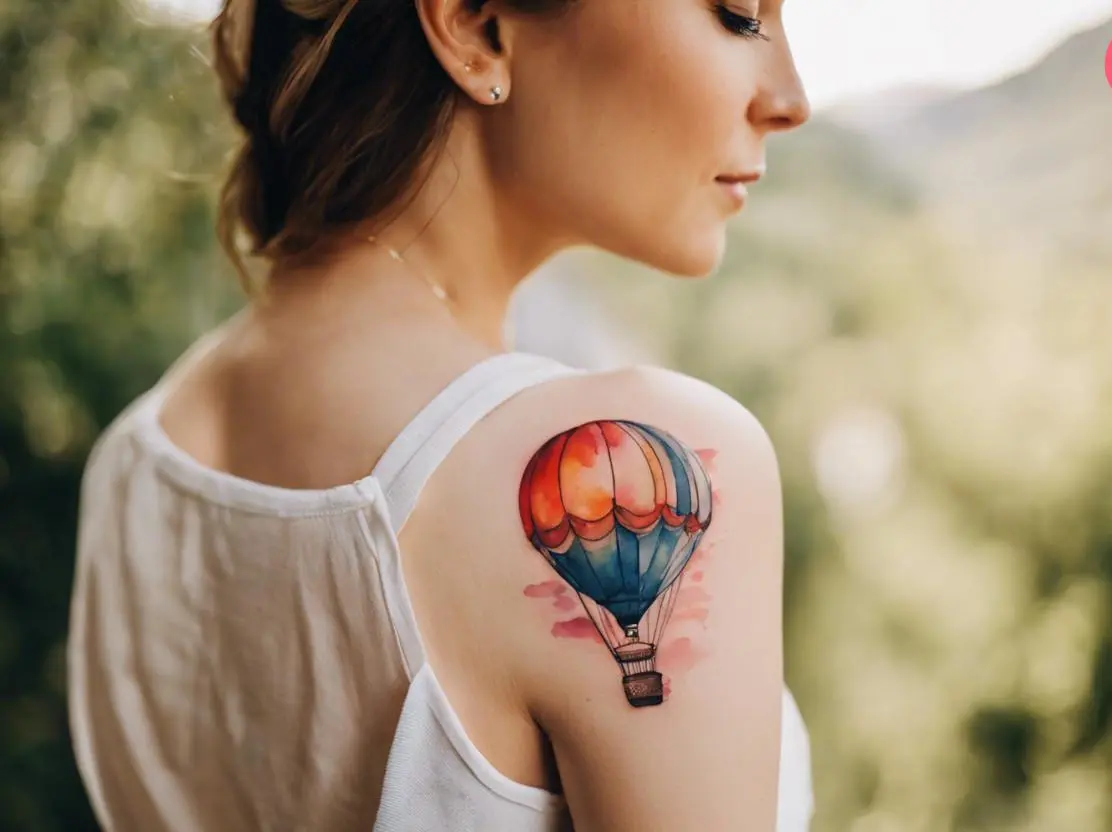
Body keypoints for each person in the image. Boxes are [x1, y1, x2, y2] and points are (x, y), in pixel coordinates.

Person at [66, 0, 813, 829]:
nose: (790, 97)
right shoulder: (664, 443)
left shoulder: (130, 463)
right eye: (740, 14)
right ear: (475, 26)